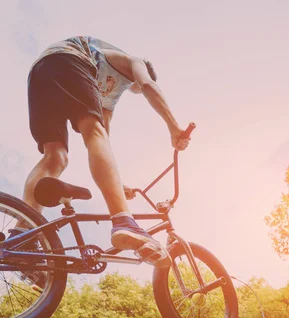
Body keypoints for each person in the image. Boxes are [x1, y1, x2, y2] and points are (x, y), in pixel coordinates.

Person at [23, 36, 191, 266]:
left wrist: (117, 185)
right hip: (68, 59)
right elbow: (148, 86)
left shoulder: (108, 94)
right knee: (93, 132)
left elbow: (103, 141)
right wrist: (174, 127)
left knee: (55, 157)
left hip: (40, 73)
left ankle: (22, 234)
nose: (135, 90)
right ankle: (124, 221)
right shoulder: (133, 62)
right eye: (136, 88)